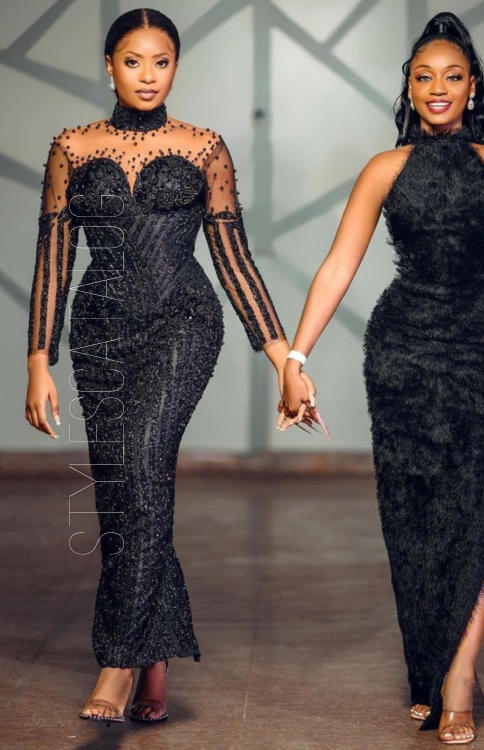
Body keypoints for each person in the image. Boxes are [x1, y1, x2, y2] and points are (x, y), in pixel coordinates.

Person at [278, 11, 484, 745]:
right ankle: (426, 669)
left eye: (452, 76)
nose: (438, 88)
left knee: (474, 510)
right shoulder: (384, 169)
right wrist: (295, 359)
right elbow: (338, 266)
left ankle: (458, 680)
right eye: (424, 77)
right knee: (412, 515)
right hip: (400, 354)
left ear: (472, 86)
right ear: (410, 89)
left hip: (482, 351)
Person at [24, 7, 317, 725]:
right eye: (133, 61)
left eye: (162, 62)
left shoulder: (204, 148)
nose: (148, 75)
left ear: (176, 67)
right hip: (99, 334)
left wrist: (285, 359)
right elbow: (53, 260)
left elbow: (234, 261)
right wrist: (39, 359)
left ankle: (119, 661)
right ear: (109, 66)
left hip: (183, 324)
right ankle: (156, 661)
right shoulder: (71, 148)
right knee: (123, 488)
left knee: (143, 463)